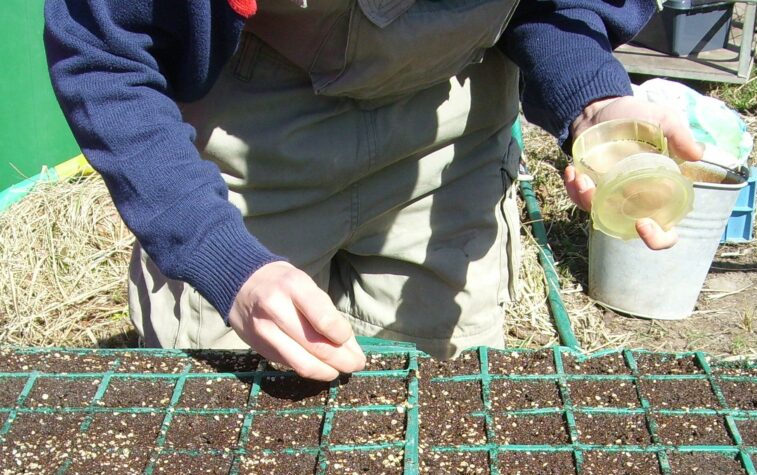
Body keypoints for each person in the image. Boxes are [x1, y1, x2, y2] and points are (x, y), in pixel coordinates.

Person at [44, 0, 703, 380]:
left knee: (437, 403)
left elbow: (551, 7)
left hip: (450, 134)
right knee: (231, 419)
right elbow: (104, 57)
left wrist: (597, 100)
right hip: (247, 137)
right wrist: (222, 259)